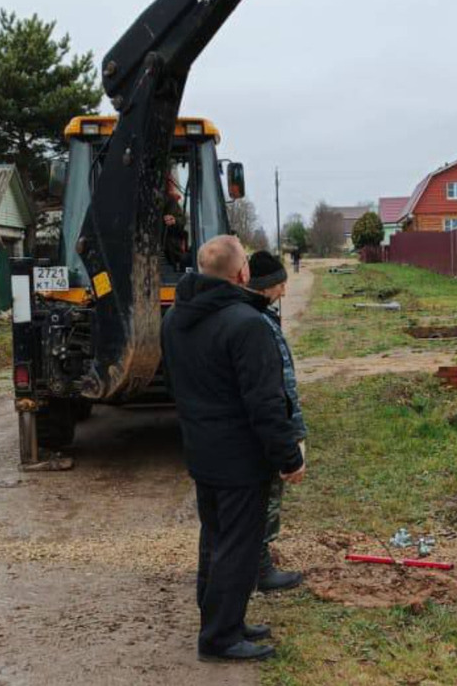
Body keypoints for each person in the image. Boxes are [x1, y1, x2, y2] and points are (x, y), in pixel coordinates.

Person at [162, 235, 305, 663]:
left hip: (202, 452)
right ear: (241, 273)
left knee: (215, 540)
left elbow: (176, 388)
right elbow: (264, 404)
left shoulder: (175, 319)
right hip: (240, 459)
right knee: (237, 547)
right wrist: (288, 457)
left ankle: (224, 619)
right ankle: (220, 638)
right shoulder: (246, 324)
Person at [247, 251, 307, 591]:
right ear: (266, 286)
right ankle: (260, 568)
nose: (285, 291)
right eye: (281, 284)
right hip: (266, 433)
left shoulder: (262, 318)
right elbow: (279, 388)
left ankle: (258, 562)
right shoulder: (257, 323)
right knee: (266, 497)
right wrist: (292, 436)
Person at [162, 174, 188, 269]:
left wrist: (175, 221)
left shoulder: (173, 203)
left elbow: (182, 222)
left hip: (171, 254)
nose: (172, 185)